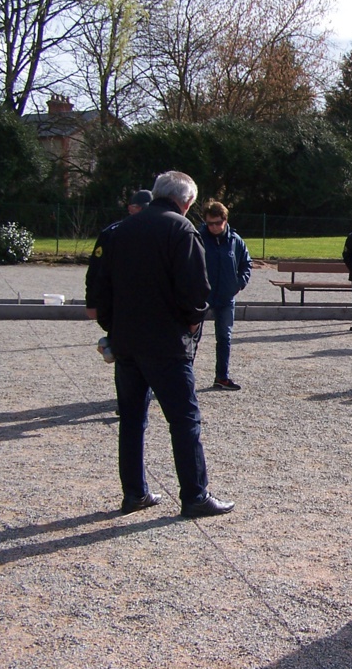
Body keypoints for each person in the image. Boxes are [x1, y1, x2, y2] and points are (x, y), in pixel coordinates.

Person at [94, 171, 234, 518]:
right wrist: (192, 319)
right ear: (185, 202)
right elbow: (195, 288)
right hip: (166, 341)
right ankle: (194, 495)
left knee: (131, 419)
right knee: (184, 419)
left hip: (126, 340)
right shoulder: (181, 229)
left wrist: (112, 328)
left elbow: (101, 287)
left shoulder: (121, 230)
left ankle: (135, 493)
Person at [199, 200, 252, 391]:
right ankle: (183, 381)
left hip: (226, 297)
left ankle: (222, 377)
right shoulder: (197, 238)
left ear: (225, 220)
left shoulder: (235, 240)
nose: (213, 227)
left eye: (217, 223)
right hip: (200, 296)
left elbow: (246, 264)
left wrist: (239, 284)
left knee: (224, 337)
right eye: (209, 223)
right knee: (191, 338)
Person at [84, 189, 152, 320]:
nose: (144, 212)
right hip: (119, 300)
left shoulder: (159, 233)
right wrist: (91, 302)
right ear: (130, 209)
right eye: (140, 208)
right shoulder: (111, 233)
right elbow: (95, 269)